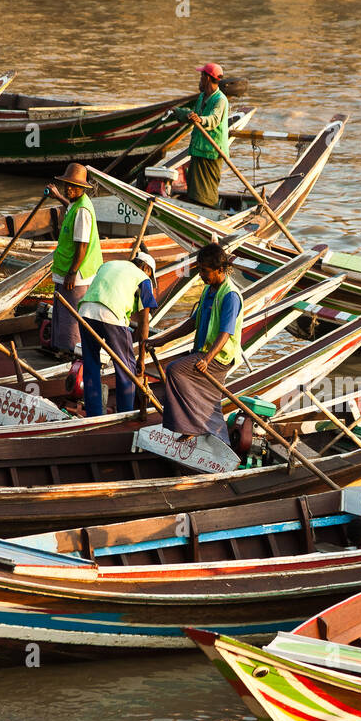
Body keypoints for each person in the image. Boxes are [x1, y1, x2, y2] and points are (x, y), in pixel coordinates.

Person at [148, 243, 243, 443]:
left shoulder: (230, 295)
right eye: (199, 270)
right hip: (203, 352)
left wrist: (207, 359)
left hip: (219, 357)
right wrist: (161, 341)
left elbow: (225, 333)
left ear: (220, 270)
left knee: (175, 370)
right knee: (209, 399)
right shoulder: (208, 290)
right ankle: (218, 436)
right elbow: (192, 323)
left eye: (205, 271)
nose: (200, 275)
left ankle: (191, 426)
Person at [76, 252, 159, 417]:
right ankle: (125, 415)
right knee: (126, 369)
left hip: (85, 312)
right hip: (112, 316)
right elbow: (144, 323)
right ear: (147, 269)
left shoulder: (109, 264)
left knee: (91, 365)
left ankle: (93, 414)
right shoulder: (144, 279)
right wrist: (141, 359)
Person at [45, 162, 102, 356]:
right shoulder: (76, 204)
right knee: (62, 312)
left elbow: (82, 246)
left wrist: (72, 273)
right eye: (67, 185)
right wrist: (58, 197)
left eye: (74, 186)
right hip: (67, 269)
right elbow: (70, 208)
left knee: (71, 317)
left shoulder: (83, 211)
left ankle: (72, 352)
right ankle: (63, 348)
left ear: (82, 188)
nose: (68, 189)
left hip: (77, 274)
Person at [172, 63, 230, 209]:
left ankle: (210, 212)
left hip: (211, 150)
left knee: (207, 192)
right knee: (194, 189)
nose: (200, 79)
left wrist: (201, 120)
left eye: (201, 76)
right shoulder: (202, 96)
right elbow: (194, 114)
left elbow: (214, 119)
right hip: (198, 148)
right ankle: (195, 208)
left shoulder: (220, 100)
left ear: (207, 78)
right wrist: (179, 112)